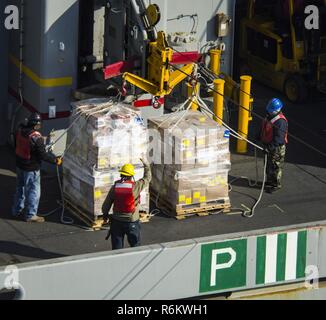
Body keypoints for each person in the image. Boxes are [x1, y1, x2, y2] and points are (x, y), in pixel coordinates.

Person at [12, 113, 62, 222]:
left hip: (20, 164)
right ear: (36, 125)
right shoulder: (36, 138)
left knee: (20, 188)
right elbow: (43, 155)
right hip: (31, 168)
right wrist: (55, 160)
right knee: (33, 191)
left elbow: (22, 142)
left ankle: (16, 210)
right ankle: (31, 215)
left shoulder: (20, 130)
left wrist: (42, 140)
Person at [102, 159, 152, 250]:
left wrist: (105, 215)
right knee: (135, 247)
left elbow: (106, 204)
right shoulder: (135, 187)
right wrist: (146, 165)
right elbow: (147, 178)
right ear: (131, 176)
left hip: (117, 222)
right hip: (131, 221)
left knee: (117, 249)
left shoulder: (115, 187)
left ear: (121, 174)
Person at [260, 98, 288, 193]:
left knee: (276, 166)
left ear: (277, 110)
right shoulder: (269, 116)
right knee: (268, 165)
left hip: (276, 148)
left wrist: (270, 148)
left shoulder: (280, 122)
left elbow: (279, 139)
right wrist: (259, 136)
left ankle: (275, 185)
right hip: (268, 145)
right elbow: (264, 128)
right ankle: (269, 181)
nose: (269, 112)